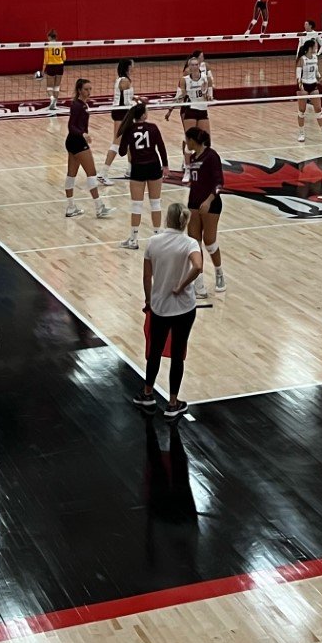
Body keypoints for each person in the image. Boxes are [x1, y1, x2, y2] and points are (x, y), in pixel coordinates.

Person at [135, 201, 206, 419]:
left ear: (167, 219)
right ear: (185, 222)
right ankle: (173, 403)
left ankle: (148, 393)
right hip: (184, 308)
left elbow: (147, 276)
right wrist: (182, 286)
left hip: (159, 307)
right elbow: (198, 267)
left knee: (154, 351)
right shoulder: (190, 243)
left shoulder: (153, 242)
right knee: (178, 354)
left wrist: (149, 300)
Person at [117, 99, 168, 248]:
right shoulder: (153, 128)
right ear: (144, 116)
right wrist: (165, 165)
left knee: (136, 206)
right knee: (155, 203)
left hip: (138, 168)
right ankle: (158, 238)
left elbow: (120, 152)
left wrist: (128, 144)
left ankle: (133, 239)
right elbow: (161, 147)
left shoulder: (129, 130)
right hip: (153, 166)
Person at [184, 126, 226, 296]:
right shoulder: (194, 157)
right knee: (194, 242)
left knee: (209, 241)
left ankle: (219, 273)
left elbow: (219, 183)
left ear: (193, 140)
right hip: (193, 203)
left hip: (211, 204)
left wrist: (208, 201)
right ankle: (199, 283)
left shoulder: (211, 156)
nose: (186, 143)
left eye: (187, 140)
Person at [62, 77, 112, 219]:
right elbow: (71, 126)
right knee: (92, 174)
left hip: (72, 142)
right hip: (78, 142)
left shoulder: (80, 104)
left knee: (71, 175)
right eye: (86, 89)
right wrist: (83, 134)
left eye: (90, 89)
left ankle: (71, 207)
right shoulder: (78, 106)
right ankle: (99, 207)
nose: (89, 92)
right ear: (79, 90)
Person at [100, 59, 138, 182]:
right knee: (117, 143)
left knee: (130, 142)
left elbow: (127, 97)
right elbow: (127, 101)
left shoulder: (122, 79)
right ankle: (103, 173)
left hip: (123, 112)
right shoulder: (125, 81)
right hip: (122, 113)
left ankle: (131, 170)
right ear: (128, 67)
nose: (134, 67)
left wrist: (136, 98)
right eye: (132, 65)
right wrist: (137, 104)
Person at [294, 24, 322, 144]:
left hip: (313, 85)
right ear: (310, 48)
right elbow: (297, 77)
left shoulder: (315, 58)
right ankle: (301, 133)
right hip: (304, 86)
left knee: (318, 110)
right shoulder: (302, 59)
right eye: (315, 45)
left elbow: (317, 72)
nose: (316, 47)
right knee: (302, 110)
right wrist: (300, 88)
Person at [168, 52, 213, 137]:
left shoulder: (206, 79)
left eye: (196, 65)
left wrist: (205, 93)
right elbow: (180, 95)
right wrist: (171, 109)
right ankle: (186, 147)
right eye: (192, 65)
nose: (194, 67)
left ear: (199, 66)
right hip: (189, 109)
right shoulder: (184, 80)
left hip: (202, 110)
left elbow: (208, 98)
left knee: (204, 138)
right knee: (190, 137)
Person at [42, 30, 67, 111]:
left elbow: (45, 60)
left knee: (49, 87)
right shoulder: (61, 45)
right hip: (60, 66)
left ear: (49, 37)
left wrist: (43, 70)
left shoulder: (47, 45)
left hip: (51, 66)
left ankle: (52, 99)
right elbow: (64, 58)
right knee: (57, 86)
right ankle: (54, 105)